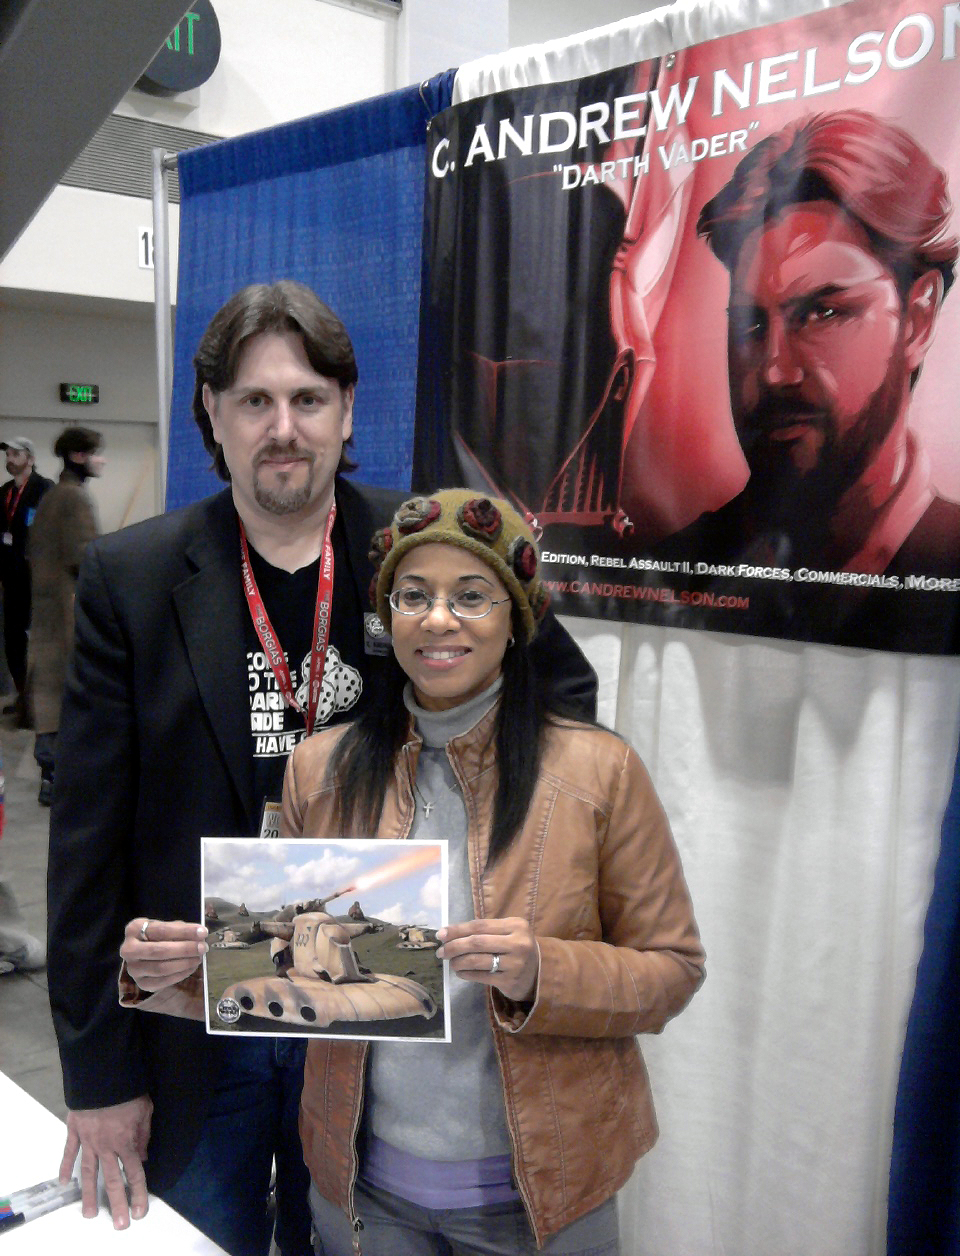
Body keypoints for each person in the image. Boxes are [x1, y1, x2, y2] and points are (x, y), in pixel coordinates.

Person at [45, 282, 598, 1256]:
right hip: (199, 1015)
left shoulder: (432, 551)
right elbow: (85, 847)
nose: (283, 427)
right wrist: (98, 1077)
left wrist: (470, 835)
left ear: (347, 412)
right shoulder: (130, 580)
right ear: (212, 417)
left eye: (307, 399)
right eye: (254, 401)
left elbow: (565, 703)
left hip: (375, 1000)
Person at [119, 488, 703, 1255]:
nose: (437, 620)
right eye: (413, 596)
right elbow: (300, 975)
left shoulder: (598, 774)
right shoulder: (321, 771)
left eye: (471, 596)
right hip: (366, 1196)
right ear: (387, 613)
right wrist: (179, 971)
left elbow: (672, 970)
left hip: (542, 1198)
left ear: (514, 615)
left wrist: (543, 972)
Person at [685, 109, 960, 578]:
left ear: (916, 320)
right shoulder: (673, 566)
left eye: (822, 313)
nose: (774, 370)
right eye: (750, 325)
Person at [27, 427, 103, 805]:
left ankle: (50, 776)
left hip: (45, 614)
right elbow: (86, 559)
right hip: (67, 615)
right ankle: (59, 778)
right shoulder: (75, 498)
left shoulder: (50, 496)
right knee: (66, 697)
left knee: (48, 694)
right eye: (94, 453)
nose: (99, 460)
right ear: (78, 456)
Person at [0, 437, 53, 725]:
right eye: (7, 453)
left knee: (38, 639)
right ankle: (23, 696)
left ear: (29, 459)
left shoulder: (44, 490)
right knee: (13, 640)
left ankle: (40, 701)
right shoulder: (4, 493)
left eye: (15, 453)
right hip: (11, 579)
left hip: (38, 580)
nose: (9, 458)